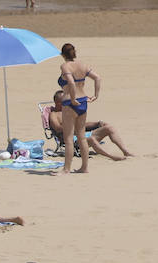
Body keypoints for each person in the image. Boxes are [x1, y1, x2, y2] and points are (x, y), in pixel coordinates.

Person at [55, 43, 101, 175]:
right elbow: (97, 78)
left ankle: (66, 169)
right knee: (81, 137)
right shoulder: (82, 65)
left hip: (70, 103)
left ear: (63, 55)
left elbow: (70, 82)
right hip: (83, 102)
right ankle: (84, 167)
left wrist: (73, 98)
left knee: (69, 138)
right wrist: (95, 96)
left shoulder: (65, 66)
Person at [49, 90, 133, 160]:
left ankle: (126, 152)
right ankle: (111, 157)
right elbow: (57, 128)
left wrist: (97, 124)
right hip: (72, 139)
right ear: (59, 103)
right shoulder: (54, 114)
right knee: (91, 139)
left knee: (109, 128)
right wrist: (74, 128)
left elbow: (83, 124)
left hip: (83, 134)